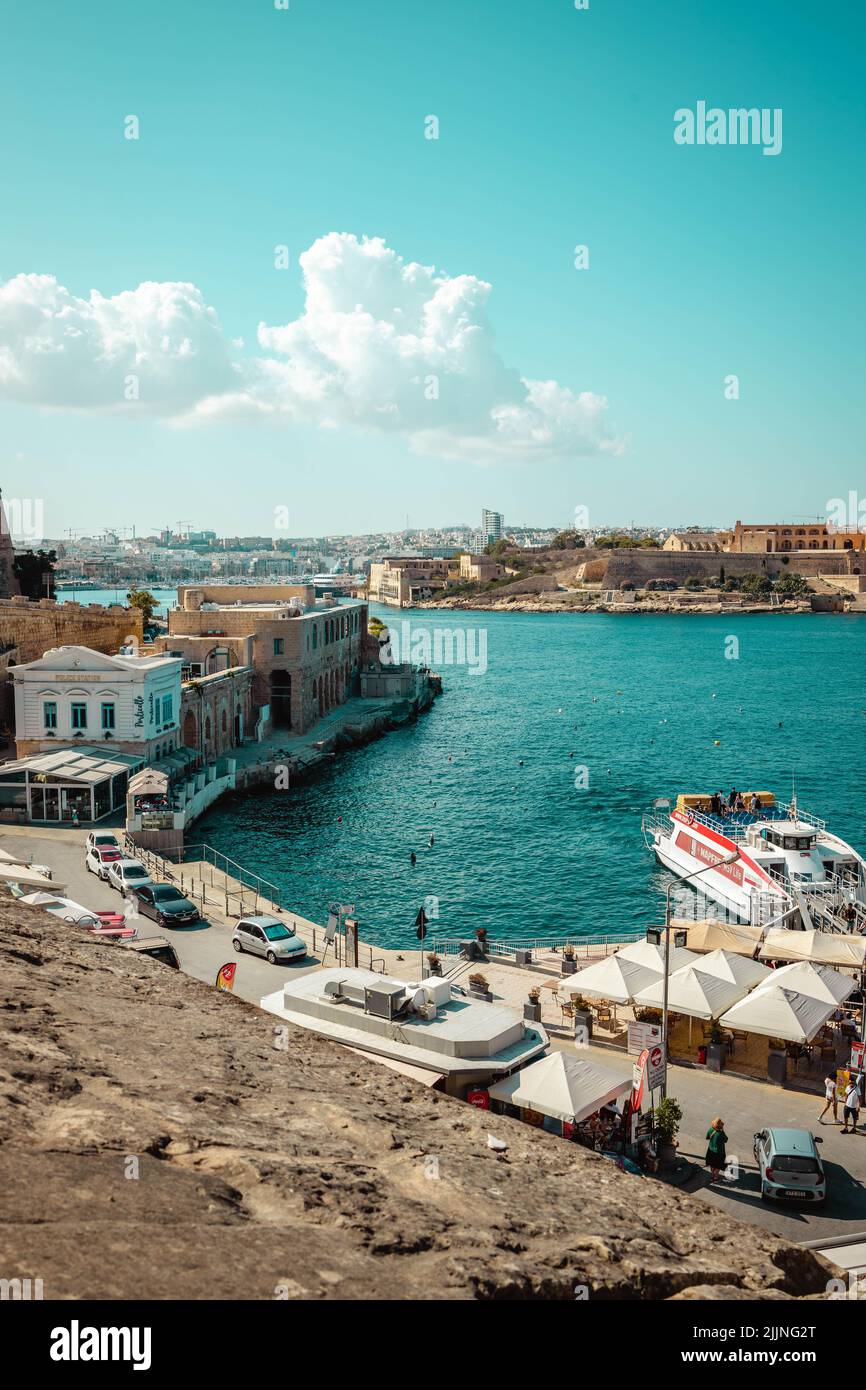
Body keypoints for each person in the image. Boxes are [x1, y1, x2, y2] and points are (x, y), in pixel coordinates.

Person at [705, 1117, 729, 1182]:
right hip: (719, 1152)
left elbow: (707, 1137)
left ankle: (712, 1175)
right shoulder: (721, 1133)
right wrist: (723, 1131)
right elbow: (726, 1140)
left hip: (710, 1150)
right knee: (718, 1165)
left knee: (712, 1164)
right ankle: (716, 1177)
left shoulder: (710, 1130)